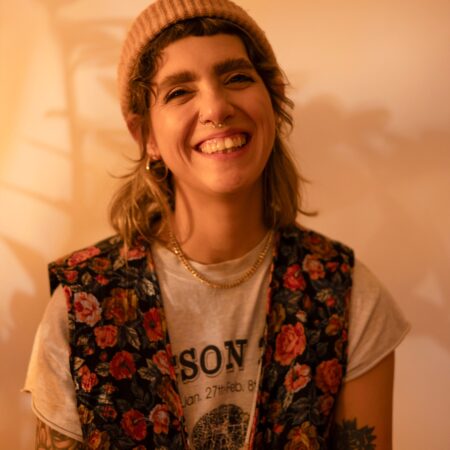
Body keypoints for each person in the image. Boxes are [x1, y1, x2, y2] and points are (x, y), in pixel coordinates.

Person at [24, 0, 410, 448]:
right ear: (145, 136)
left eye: (237, 78)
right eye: (178, 92)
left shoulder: (348, 295)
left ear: (273, 100)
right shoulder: (79, 310)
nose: (216, 107)